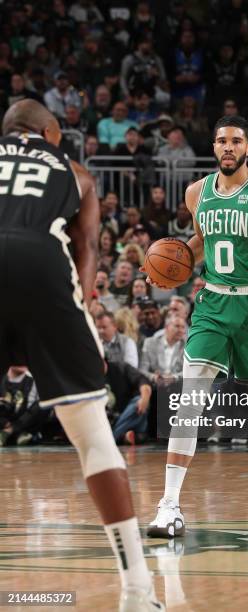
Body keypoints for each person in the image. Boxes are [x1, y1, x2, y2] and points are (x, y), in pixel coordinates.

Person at [0, 100, 163, 610]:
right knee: (93, 436)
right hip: (42, 263)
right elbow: (87, 243)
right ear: (49, 131)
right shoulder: (75, 172)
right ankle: (137, 590)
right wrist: (83, 310)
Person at [143, 115, 248, 535]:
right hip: (213, 304)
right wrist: (168, 265)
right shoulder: (197, 193)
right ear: (214, 147)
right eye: (222, 141)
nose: (229, 147)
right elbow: (202, 243)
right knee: (189, 403)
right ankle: (169, 505)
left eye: (237, 140)